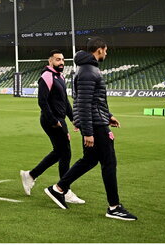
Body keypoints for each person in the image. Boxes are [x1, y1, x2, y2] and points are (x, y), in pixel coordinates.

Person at [44, 39, 137, 221]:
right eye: (105, 50)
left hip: (97, 120)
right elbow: (84, 103)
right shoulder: (88, 70)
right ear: (99, 50)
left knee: (90, 160)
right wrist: (88, 132)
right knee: (109, 162)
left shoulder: (86, 69)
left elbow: (94, 100)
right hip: (95, 125)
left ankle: (58, 189)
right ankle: (114, 207)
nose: (106, 54)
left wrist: (108, 115)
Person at [20, 50, 85, 203]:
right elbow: (42, 101)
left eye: (62, 59)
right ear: (50, 61)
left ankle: (31, 175)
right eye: (57, 60)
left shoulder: (60, 76)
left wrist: (74, 119)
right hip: (52, 120)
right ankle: (65, 190)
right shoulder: (47, 76)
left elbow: (65, 102)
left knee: (60, 152)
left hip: (59, 120)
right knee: (65, 153)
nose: (61, 62)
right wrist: (54, 120)